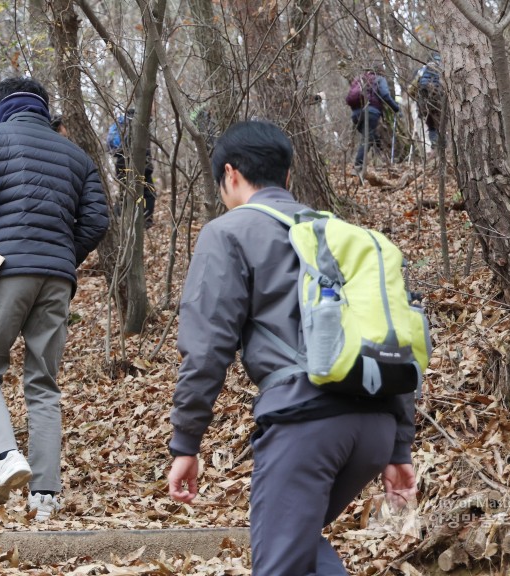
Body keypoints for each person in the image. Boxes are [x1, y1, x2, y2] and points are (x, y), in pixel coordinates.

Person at [166, 121, 417, 574]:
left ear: (230, 174)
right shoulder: (340, 234)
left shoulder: (228, 232)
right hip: (374, 425)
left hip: (307, 423)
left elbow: (207, 348)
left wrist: (186, 442)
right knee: (298, 549)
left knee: (279, 563)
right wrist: (399, 447)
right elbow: (387, 331)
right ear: (286, 177)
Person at [0, 77, 108, 520]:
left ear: (1, 106)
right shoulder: (75, 154)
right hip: (58, 277)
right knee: (44, 383)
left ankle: (4, 457)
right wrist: (67, 254)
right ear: (43, 107)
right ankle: (45, 493)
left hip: (7, 268)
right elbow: (97, 217)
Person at [346, 65, 402, 172]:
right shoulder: (379, 79)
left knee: (374, 137)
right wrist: (396, 108)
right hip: (371, 112)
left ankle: (382, 161)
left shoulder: (359, 79)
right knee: (368, 139)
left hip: (356, 114)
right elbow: (385, 95)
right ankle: (358, 166)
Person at [107, 107, 156, 228]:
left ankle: (117, 218)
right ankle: (145, 222)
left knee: (126, 193)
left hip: (121, 164)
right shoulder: (138, 124)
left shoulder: (122, 124)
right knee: (148, 193)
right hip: (136, 164)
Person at [408, 53, 443, 149]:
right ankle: (440, 147)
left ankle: (433, 145)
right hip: (437, 101)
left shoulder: (421, 70)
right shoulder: (440, 70)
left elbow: (412, 88)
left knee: (430, 125)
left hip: (423, 102)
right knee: (439, 125)